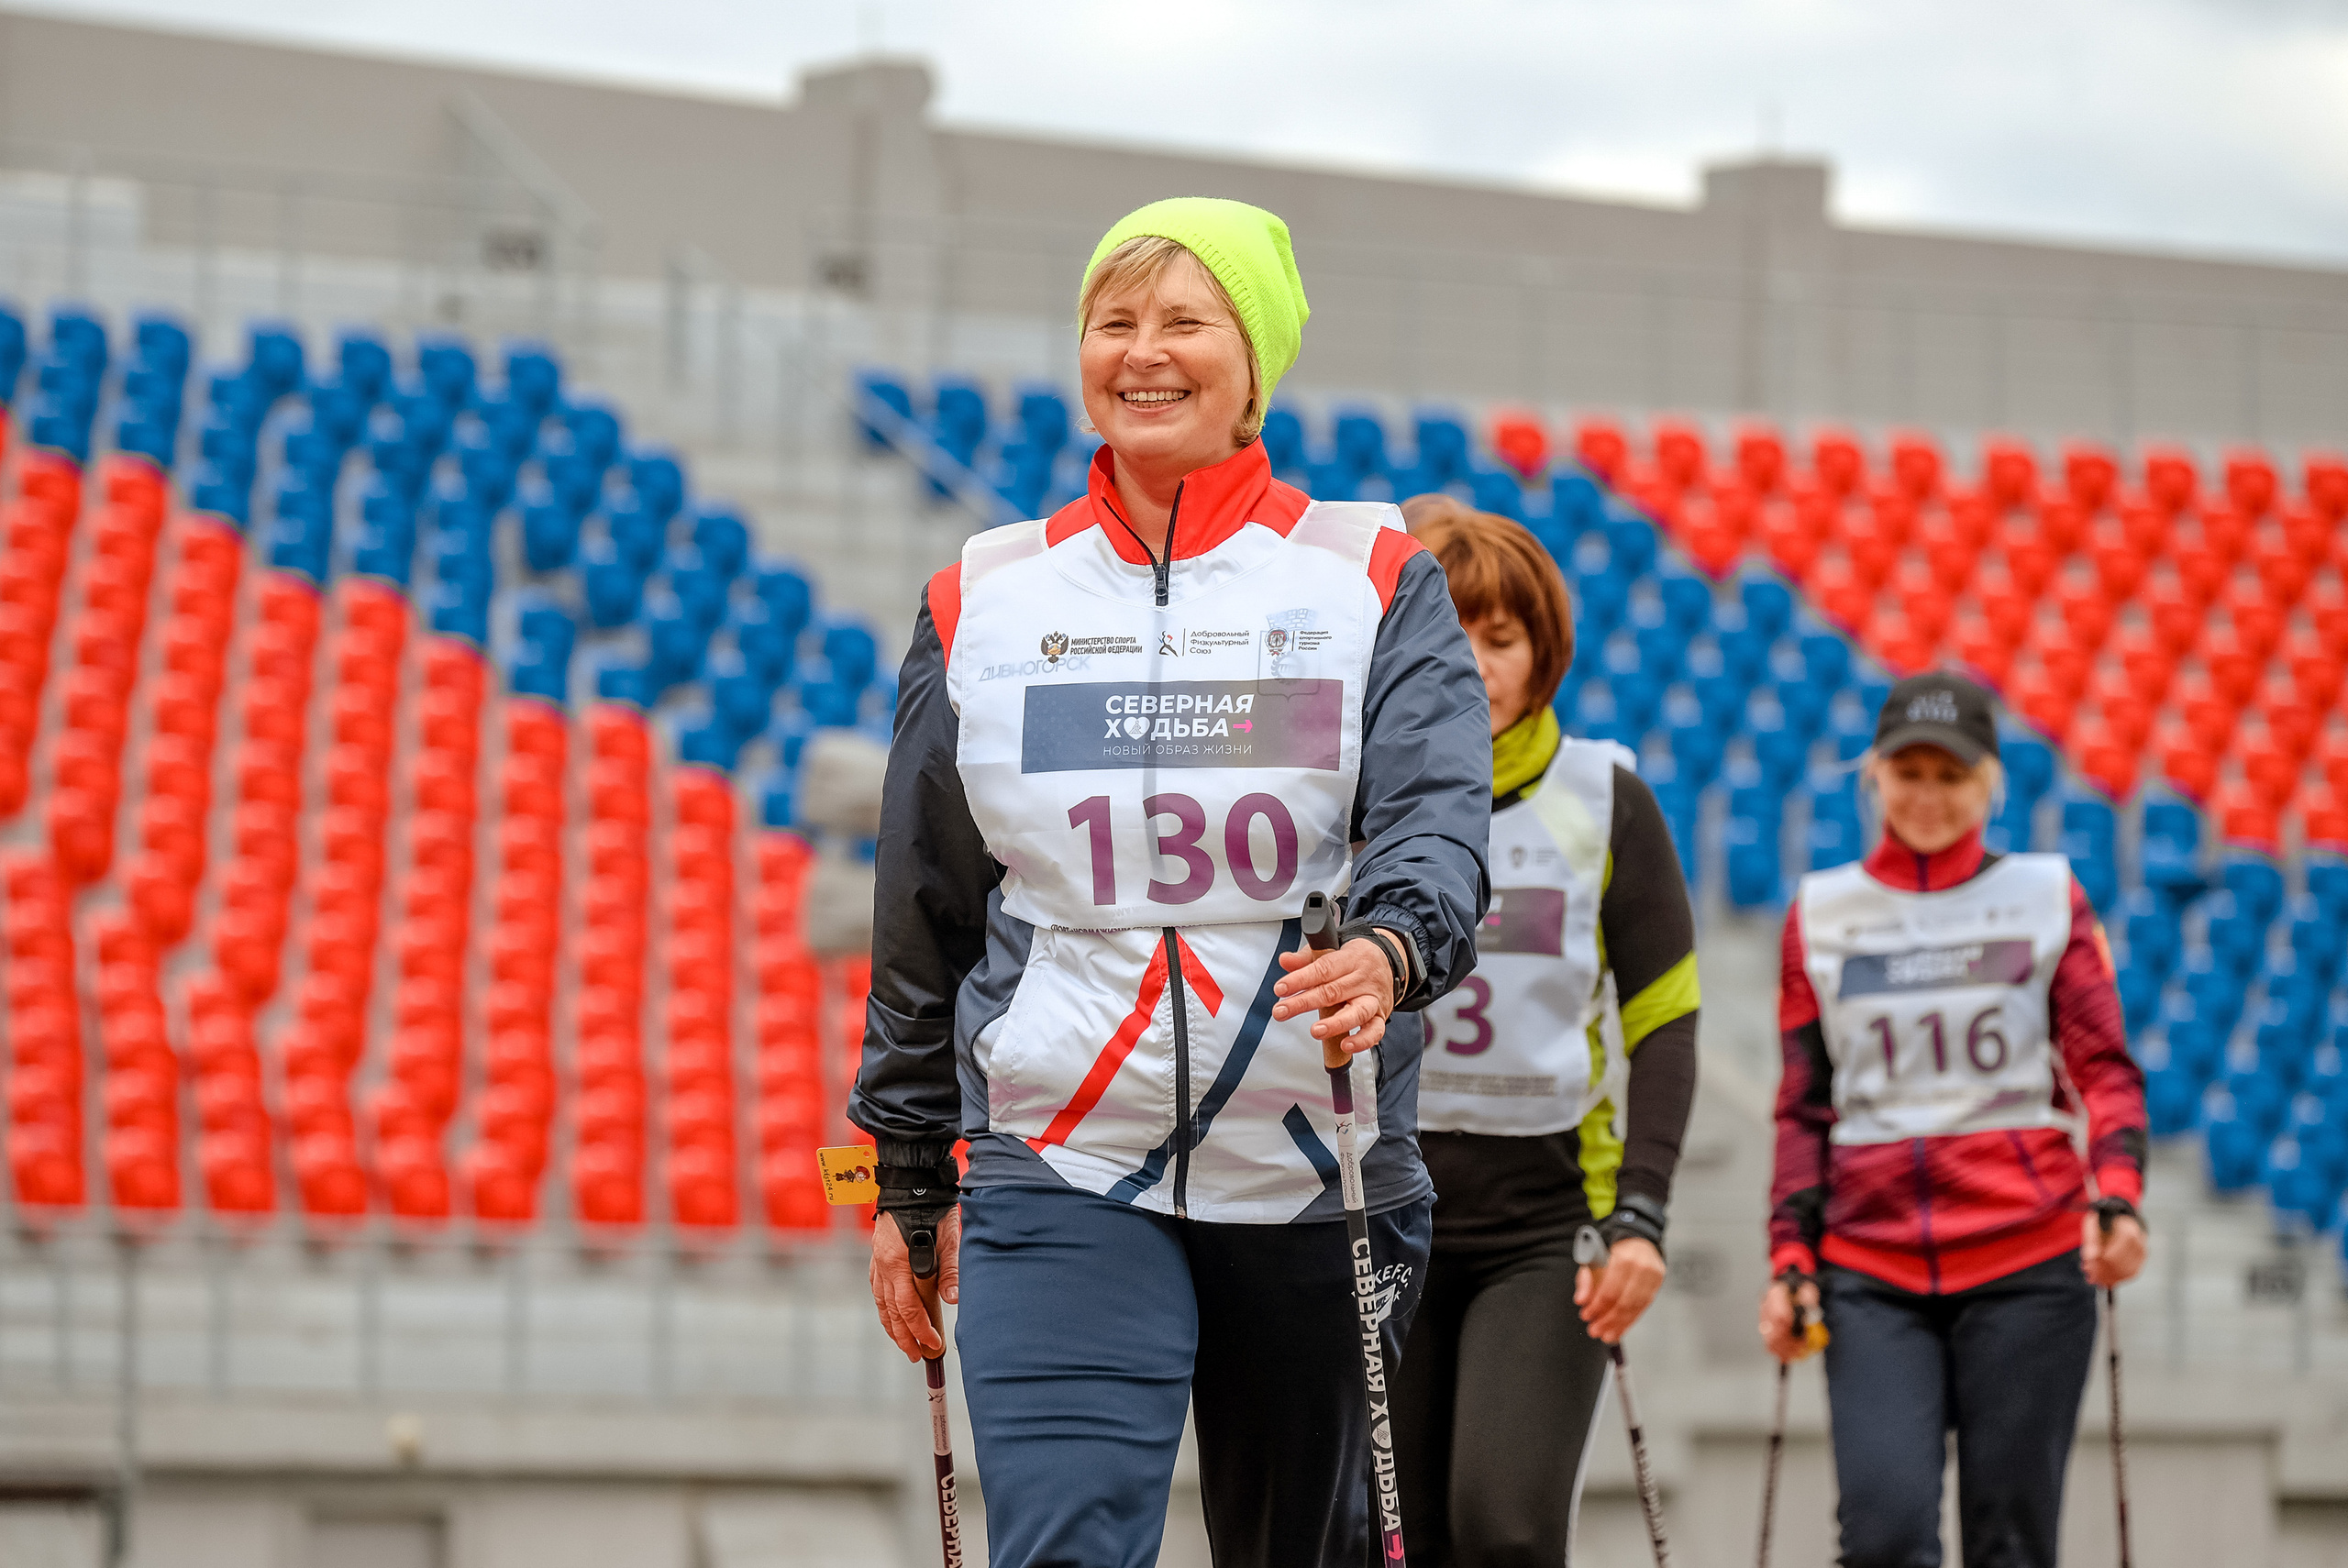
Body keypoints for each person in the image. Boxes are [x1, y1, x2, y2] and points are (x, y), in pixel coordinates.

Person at [849, 197, 1491, 1568]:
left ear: (1253, 363)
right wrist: (905, 1168)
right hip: (1060, 1156)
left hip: (1315, 1163)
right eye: (1114, 321)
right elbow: (925, 908)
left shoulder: (1375, 578)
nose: (1143, 351)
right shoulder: (982, 598)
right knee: (1064, 1546)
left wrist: (1390, 946)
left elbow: (1438, 827)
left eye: (1186, 321)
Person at [1759, 669, 2149, 1568]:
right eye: (1908, 773)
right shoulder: (1820, 913)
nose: (1928, 795)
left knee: (2010, 1543)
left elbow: (2105, 1068)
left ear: (1990, 782)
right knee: (1884, 1536)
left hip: (2029, 1261)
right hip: (1869, 1268)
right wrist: (1788, 1254)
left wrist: (2120, 1193)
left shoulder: (2048, 895)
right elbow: (1802, 1107)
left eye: (1952, 775)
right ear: (1874, 777)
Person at [1390, 497, 1700, 1566]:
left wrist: (1642, 1215)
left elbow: (1665, 1023)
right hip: (1378, 1216)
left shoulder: (1606, 797)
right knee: (1397, 1540)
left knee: (1506, 1529)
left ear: (1542, 655)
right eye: (1450, 635)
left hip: (1545, 1224)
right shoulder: (1346, 795)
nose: (1474, 666)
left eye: (1501, 639)